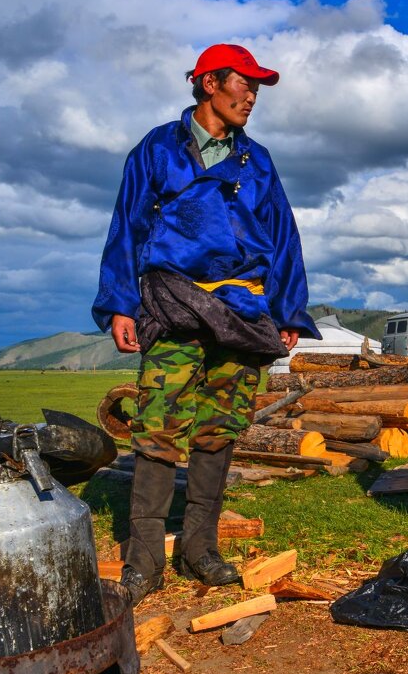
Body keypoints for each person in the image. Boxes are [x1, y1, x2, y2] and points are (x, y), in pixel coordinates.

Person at [93, 44, 318, 604]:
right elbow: (127, 228)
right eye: (245, 84)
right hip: (172, 304)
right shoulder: (157, 149)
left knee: (220, 428)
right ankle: (144, 556)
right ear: (211, 83)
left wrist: (287, 309)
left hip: (242, 311)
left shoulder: (257, 161)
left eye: (258, 88)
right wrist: (122, 303)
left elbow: (284, 237)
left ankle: (199, 546)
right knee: (156, 426)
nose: (252, 95)